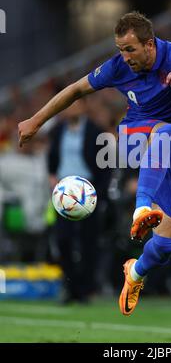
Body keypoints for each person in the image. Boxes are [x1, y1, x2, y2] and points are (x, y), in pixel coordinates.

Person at [18, 11, 171, 315]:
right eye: (120, 50)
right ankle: (142, 208)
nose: (125, 57)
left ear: (149, 44)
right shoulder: (116, 68)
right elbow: (75, 90)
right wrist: (36, 120)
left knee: (166, 246)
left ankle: (136, 272)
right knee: (165, 131)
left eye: (130, 49)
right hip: (135, 135)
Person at [47, 99, 112, 303]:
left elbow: (106, 166)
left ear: (84, 106)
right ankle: (70, 285)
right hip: (64, 192)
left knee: (88, 242)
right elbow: (52, 158)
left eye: (74, 105)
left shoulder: (96, 131)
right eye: (67, 106)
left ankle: (85, 289)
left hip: (87, 192)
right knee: (63, 239)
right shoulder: (58, 131)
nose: (71, 109)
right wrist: (52, 177)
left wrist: (98, 193)